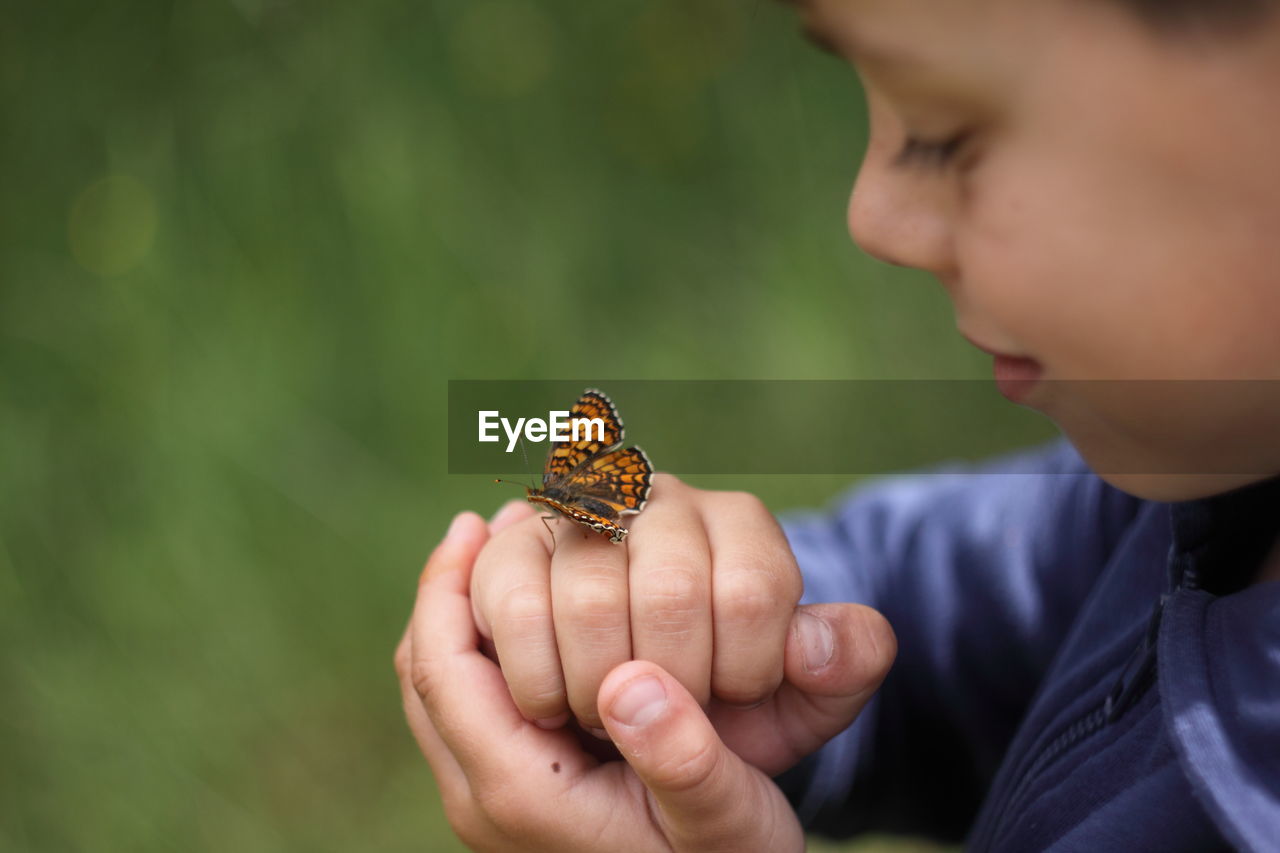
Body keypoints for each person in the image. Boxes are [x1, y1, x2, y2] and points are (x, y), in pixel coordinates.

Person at [395, 0, 1280, 848]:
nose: (874, 218)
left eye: (940, 129)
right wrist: (691, 619)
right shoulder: (1209, 481)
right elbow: (928, 603)